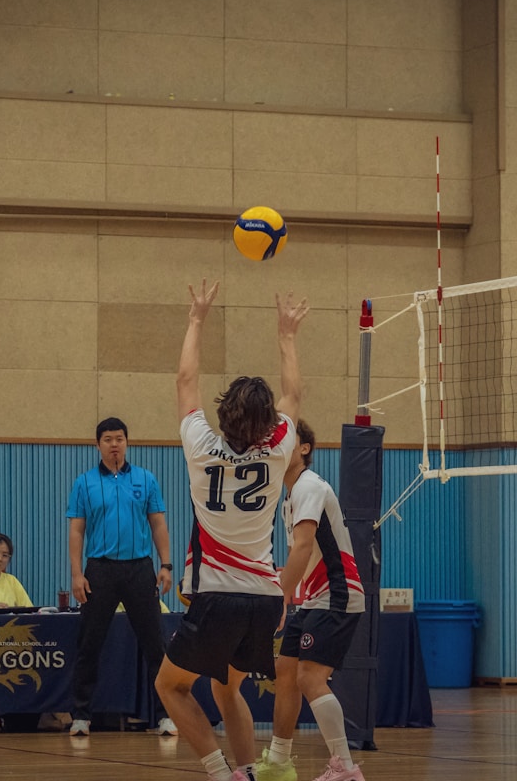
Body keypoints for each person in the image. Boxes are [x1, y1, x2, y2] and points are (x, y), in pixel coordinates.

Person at [154, 279, 307, 781]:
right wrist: (286, 334)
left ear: (223, 415)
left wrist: (197, 318)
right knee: (227, 687)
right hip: (264, 599)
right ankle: (250, 771)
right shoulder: (281, 445)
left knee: (169, 687)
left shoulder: (200, 443)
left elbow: (184, 381)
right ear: (269, 424)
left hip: (218, 596)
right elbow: (293, 394)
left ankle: (223, 774)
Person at [255, 419, 366, 781]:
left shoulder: (309, 486)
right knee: (285, 674)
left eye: (287, 441)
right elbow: (297, 557)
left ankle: (346, 768)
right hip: (311, 599)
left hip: (337, 594)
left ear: (304, 449)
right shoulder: (289, 497)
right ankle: (279, 761)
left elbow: (304, 547)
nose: (278, 447)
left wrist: (278, 598)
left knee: (310, 677)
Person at [66, 416, 177, 738]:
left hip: (139, 568)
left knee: (155, 644)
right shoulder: (84, 482)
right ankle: (81, 716)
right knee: (89, 644)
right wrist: (76, 574)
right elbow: (76, 530)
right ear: (98, 444)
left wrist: (166, 565)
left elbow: (158, 524)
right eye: (108, 439)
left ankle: (164, 716)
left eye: (120, 439)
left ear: (127, 442)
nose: (114, 444)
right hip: (99, 569)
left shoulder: (146, 479)